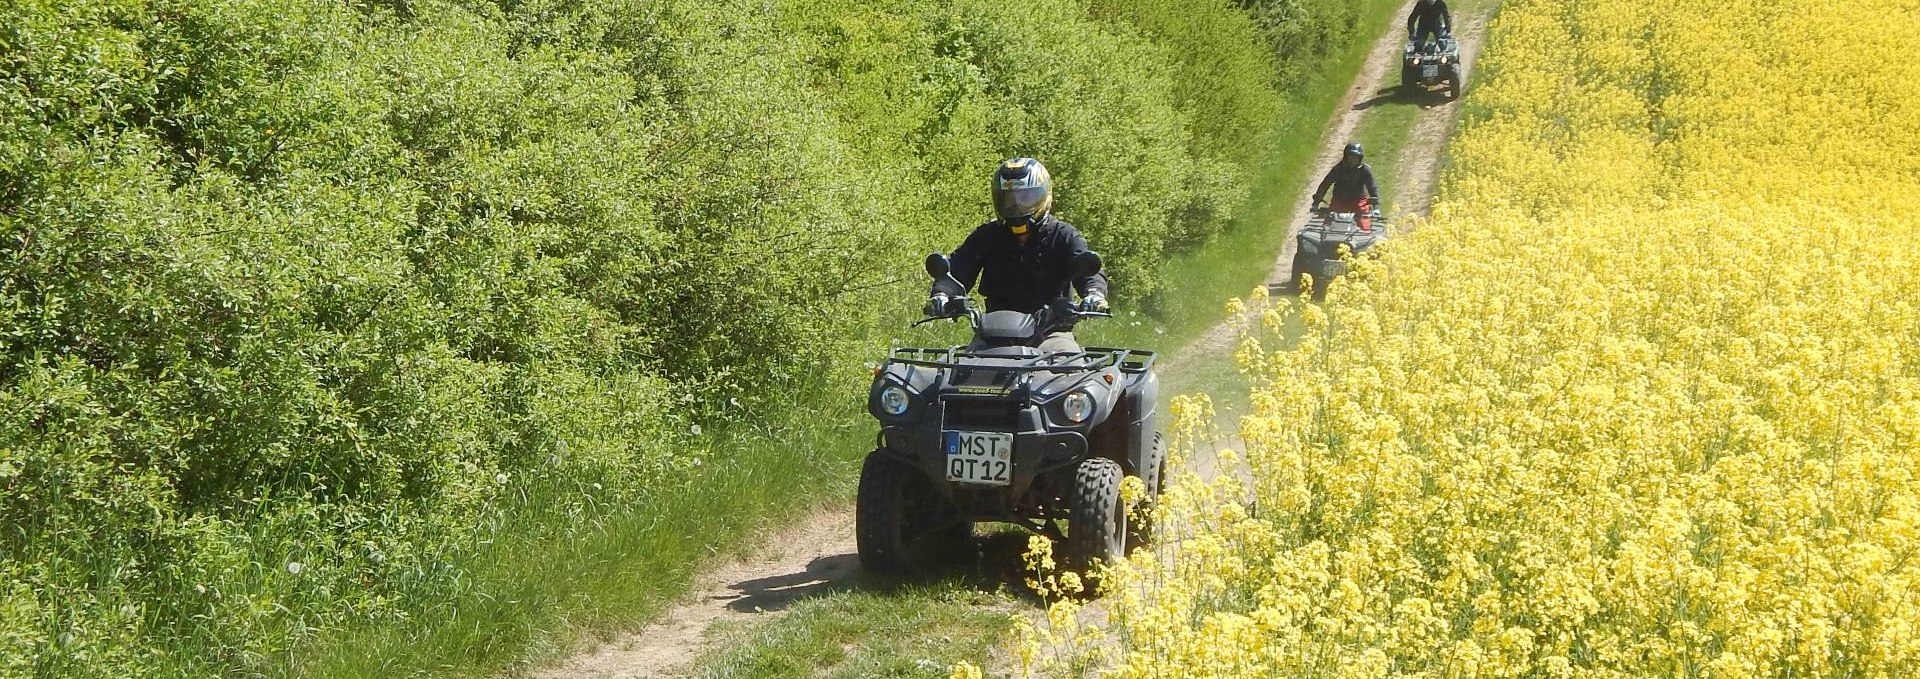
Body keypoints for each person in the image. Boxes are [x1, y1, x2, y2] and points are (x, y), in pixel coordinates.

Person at [927, 157, 1108, 352]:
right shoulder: (987, 236)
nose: (1016, 206)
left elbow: (1088, 270)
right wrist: (941, 294)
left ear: (1044, 196)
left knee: (1068, 370)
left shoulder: (1064, 235)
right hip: (993, 335)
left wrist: (1094, 295)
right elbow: (956, 270)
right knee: (962, 372)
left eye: (1026, 198)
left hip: (1051, 334)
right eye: (1009, 200)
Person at [1312, 142, 1383, 232]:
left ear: (1360, 158)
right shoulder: (1338, 169)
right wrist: (1316, 202)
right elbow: (1325, 185)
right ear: (1345, 156)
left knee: (1364, 227)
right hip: (1339, 200)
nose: (1353, 160)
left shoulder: (1364, 170)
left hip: (1359, 201)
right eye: (1351, 157)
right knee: (1329, 226)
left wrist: (1375, 206)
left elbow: (1372, 187)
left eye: (1356, 157)